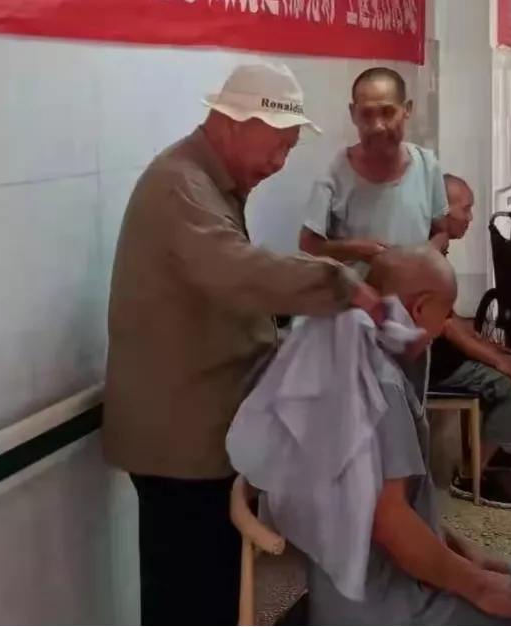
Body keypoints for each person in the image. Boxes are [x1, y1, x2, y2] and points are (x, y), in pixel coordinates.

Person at [103, 62, 380, 627]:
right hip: (180, 443)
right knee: (190, 599)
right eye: (277, 146)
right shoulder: (180, 185)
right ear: (233, 123)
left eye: (289, 150)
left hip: (201, 432)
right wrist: (339, 284)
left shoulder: (209, 182)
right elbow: (237, 272)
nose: (279, 164)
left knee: (208, 590)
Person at [310, 246, 511, 627]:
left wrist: (464, 553)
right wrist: (476, 584)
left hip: (375, 576)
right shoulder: (378, 385)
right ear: (419, 309)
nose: (445, 327)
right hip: (378, 607)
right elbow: (390, 522)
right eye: (447, 313)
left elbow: (405, 505)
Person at [430, 174, 511, 509]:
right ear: (443, 210)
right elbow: (445, 326)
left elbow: (450, 317)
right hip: (433, 364)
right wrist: (498, 361)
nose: (471, 217)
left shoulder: (436, 245)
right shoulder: (429, 253)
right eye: (465, 208)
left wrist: (490, 347)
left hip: (441, 353)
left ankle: (489, 448)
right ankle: (470, 476)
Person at [299, 66, 450, 275]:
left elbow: (442, 231)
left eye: (388, 112)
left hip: (414, 292)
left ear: (407, 109)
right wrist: (354, 250)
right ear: (353, 114)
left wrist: (425, 257)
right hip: (354, 293)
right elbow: (308, 244)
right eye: (367, 114)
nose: (378, 126)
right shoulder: (335, 173)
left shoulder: (427, 166)